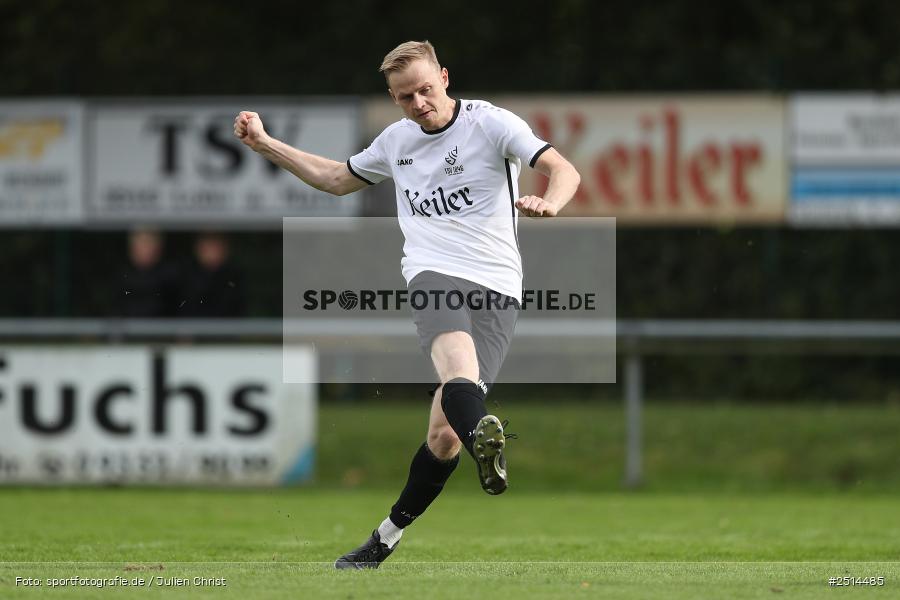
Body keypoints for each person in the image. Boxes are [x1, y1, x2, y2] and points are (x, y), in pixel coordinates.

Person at [234, 40, 580, 569]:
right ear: (394, 100)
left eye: (424, 89)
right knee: (459, 374)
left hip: (500, 286)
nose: (418, 103)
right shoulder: (395, 142)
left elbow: (564, 170)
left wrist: (548, 202)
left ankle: (382, 541)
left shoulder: (490, 124)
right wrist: (264, 144)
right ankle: (486, 435)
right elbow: (334, 179)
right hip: (432, 275)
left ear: (444, 77)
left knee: (443, 436)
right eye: (404, 97)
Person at [178, 232, 247, 317]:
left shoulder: (235, 276)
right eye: (209, 244)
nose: (213, 250)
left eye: (217, 245)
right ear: (198, 247)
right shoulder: (182, 275)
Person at [116, 228, 180, 317]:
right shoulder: (120, 277)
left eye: (149, 243)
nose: (145, 249)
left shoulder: (172, 278)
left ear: (159, 248)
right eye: (141, 243)